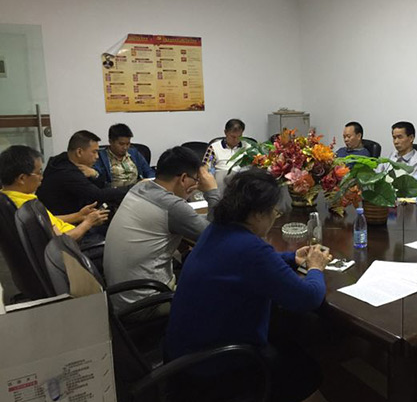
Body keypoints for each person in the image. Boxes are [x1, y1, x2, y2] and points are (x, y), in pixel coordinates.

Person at [165, 168, 332, 402]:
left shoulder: (217, 229)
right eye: (273, 212)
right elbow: (309, 298)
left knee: (285, 330)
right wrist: (315, 267)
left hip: (183, 355)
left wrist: (291, 258)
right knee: (306, 370)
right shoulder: (251, 249)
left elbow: (246, 264)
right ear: (256, 214)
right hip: (215, 367)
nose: (274, 217)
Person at [104, 146, 219, 316]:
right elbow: (218, 236)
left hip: (120, 296)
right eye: (195, 180)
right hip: (147, 304)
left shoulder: (140, 187)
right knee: (218, 293)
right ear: (183, 178)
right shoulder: (172, 206)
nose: (196, 186)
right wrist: (212, 191)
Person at [0, 145, 108, 241]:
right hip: (74, 245)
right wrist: (88, 223)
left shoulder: (8, 196)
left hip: (72, 231)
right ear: (22, 178)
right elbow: (59, 242)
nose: (41, 177)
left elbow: (45, 220)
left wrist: (78, 216)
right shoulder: (27, 209)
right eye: (39, 172)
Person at [36, 130, 129, 215]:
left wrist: (95, 174)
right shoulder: (66, 172)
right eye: (94, 152)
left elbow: (101, 186)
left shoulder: (65, 159)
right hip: (64, 222)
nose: (97, 156)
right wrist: (130, 189)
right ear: (79, 152)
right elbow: (98, 195)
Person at [203, 118, 246, 191]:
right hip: (220, 176)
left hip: (240, 178)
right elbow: (206, 166)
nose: (236, 140)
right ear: (225, 132)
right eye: (233, 137)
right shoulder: (214, 147)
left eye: (239, 137)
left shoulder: (247, 147)